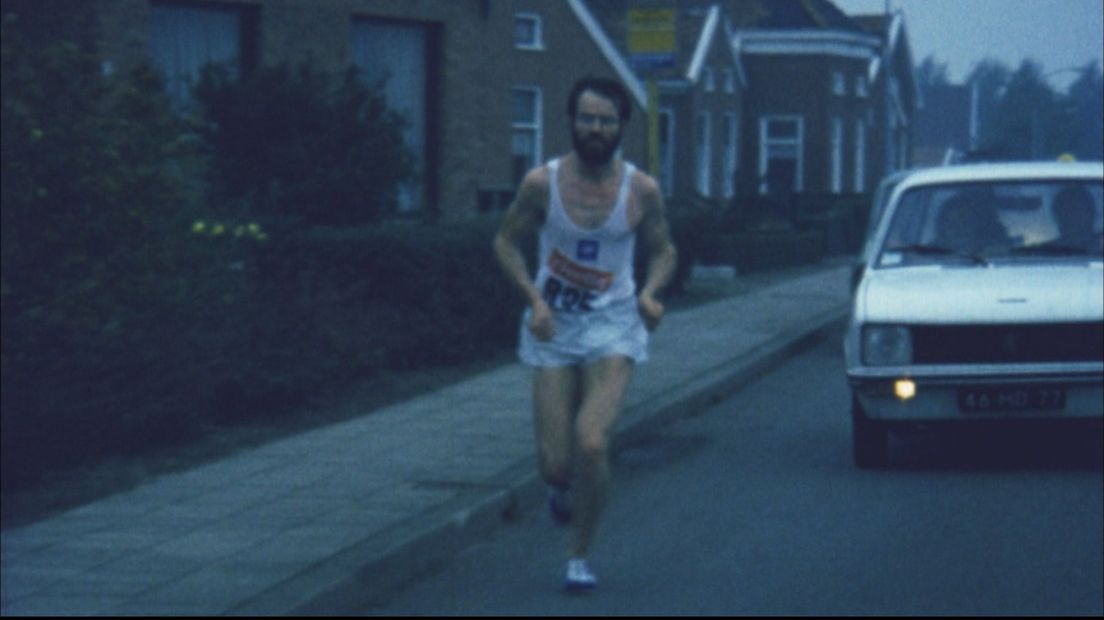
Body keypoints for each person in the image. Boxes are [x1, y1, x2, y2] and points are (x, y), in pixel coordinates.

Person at [493, 76, 677, 592]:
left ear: (622, 127)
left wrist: (650, 293)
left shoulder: (640, 190)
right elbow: (505, 242)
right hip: (555, 327)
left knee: (591, 444)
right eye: (587, 118)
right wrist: (533, 299)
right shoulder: (541, 184)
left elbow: (665, 250)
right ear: (572, 122)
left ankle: (579, 554)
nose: (596, 128)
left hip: (613, 326)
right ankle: (560, 490)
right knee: (555, 466)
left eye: (606, 120)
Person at [1051, 185, 1101, 251]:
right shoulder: (1044, 253)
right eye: (1066, 211)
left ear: (1091, 213)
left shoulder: (1100, 247)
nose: (1072, 216)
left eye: (1077, 209)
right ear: (1059, 216)